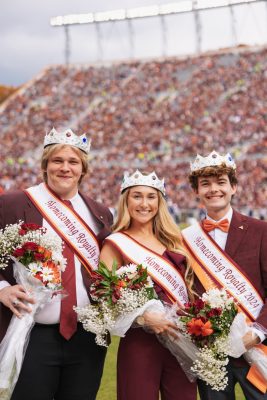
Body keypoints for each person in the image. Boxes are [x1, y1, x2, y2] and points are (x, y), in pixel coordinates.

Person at [0, 127, 113, 400]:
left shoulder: (100, 213)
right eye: (57, 161)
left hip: (87, 338)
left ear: (83, 169)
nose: (65, 168)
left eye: (73, 162)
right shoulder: (14, 203)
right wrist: (1, 287)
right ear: (45, 166)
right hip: (33, 332)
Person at [100, 170, 197, 400]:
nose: (144, 204)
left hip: (181, 340)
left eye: (151, 197)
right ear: (126, 201)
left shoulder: (174, 242)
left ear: (159, 202)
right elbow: (104, 299)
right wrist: (143, 317)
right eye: (137, 196)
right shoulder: (115, 243)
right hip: (140, 344)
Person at [182, 150, 267, 400]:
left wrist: (259, 331)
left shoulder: (261, 231)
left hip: (257, 348)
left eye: (221, 182)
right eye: (205, 184)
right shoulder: (186, 239)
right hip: (211, 354)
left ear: (234, 188)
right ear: (196, 191)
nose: (213, 189)